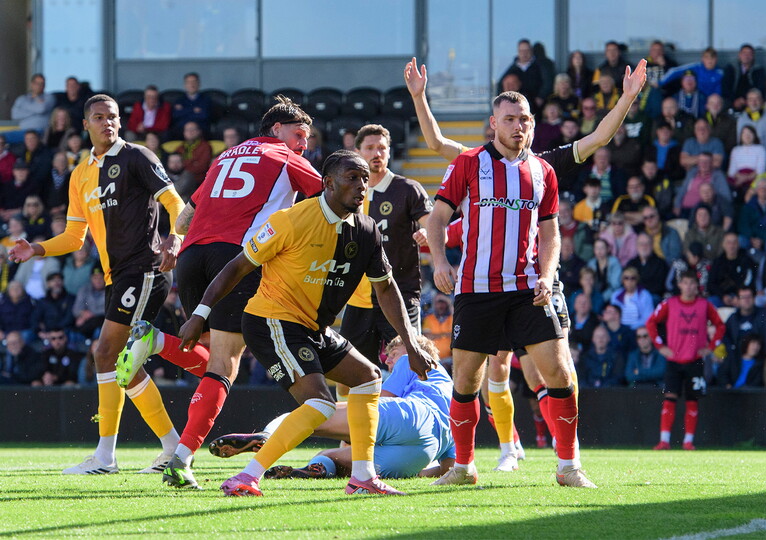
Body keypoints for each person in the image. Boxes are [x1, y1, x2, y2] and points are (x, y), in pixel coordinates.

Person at [178, 150, 434, 497]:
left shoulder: (366, 230)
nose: (361, 186)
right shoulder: (290, 220)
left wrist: (412, 343)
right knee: (320, 404)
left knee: (368, 379)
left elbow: (387, 289)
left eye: (364, 179)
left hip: (313, 327)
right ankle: (246, 476)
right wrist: (199, 315)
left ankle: (363, 478)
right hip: (271, 321)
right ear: (327, 183)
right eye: (351, 177)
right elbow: (236, 268)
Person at [117, 96, 326, 489]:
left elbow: (188, 210)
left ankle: (158, 341)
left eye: (308, 139)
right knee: (226, 362)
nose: (304, 144)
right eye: (299, 134)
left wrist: (174, 240)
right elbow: (332, 199)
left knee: (213, 351)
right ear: (276, 130)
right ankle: (181, 458)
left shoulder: (226, 156)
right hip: (236, 259)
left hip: (193, 256)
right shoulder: (285, 156)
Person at [8, 94, 188, 475]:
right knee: (125, 364)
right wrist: (36, 248)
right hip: (116, 276)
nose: (108, 123)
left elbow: (177, 204)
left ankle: (106, 456)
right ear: (86, 125)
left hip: (146, 269)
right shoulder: (80, 174)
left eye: (113, 117)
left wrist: (175, 237)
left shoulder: (138, 157)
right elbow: (75, 238)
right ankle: (172, 446)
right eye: (99, 117)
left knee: (105, 353)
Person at [424, 89, 594, 488]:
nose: (519, 126)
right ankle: (464, 468)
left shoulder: (543, 172)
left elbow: (550, 234)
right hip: (477, 290)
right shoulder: (469, 162)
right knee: (466, 382)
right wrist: (439, 262)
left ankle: (568, 467)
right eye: (511, 119)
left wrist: (548, 275)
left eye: (525, 119)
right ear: (493, 124)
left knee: (560, 374)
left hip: (528, 290)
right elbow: (437, 220)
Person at [209, 335, 454, 480]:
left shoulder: (412, 358)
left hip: (410, 417)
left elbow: (376, 405)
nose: (388, 359)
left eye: (392, 352)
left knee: (311, 413)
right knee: (328, 458)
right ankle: (311, 471)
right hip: (419, 455)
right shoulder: (448, 391)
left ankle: (268, 435)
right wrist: (420, 472)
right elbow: (449, 468)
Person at [340, 124, 431, 373]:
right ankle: (352, 414)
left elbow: (433, 226)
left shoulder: (407, 189)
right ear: (357, 151)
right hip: (358, 300)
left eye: (382, 148)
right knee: (350, 374)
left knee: (409, 368)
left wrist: (428, 233)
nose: (376, 153)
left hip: (400, 295)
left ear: (390, 152)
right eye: (369, 148)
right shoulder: (345, 193)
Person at [647, 270, 725, 451]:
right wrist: (660, 346)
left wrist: (711, 347)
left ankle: (688, 441)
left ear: (697, 286)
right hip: (674, 360)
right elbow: (651, 323)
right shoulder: (670, 304)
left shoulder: (705, 305)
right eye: (685, 283)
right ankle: (664, 440)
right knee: (669, 397)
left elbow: (720, 325)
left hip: (695, 360)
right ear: (680, 285)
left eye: (692, 283)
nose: (689, 287)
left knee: (692, 399)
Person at [722, 44, 766, 111]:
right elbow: (726, 88)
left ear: (753, 56)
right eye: (744, 53)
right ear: (739, 55)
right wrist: (734, 100)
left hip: (751, 101)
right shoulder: (731, 68)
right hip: (732, 101)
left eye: (749, 54)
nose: (746, 56)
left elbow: (760, 88)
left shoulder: (758, 70)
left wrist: (746, 100)